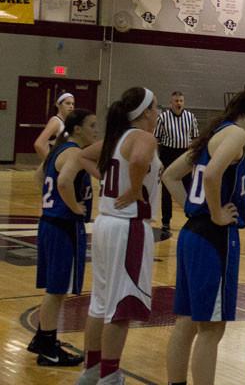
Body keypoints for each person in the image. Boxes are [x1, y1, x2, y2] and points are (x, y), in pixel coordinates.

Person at [163, 91, 245, 385]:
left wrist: (192, 209)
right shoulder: (236, 134)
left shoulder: (214, 134)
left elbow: (170, 176)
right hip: (214, 238)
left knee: (186, 323)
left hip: (192, 235)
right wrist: (214, 213)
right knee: (211, 329)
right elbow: (212, 175)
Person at [77, 86, 161, 385]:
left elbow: (82, 157)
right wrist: (135, 187)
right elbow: (139, 161)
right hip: (128, 226)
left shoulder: (115, 138)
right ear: (147, 112)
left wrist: (110, 181)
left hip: (104, 224)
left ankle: (91, 370)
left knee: (100, 303)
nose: (159, 113)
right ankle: (110, 375)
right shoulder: (143, 137)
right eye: (156, 107)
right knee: (120, 307)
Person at [30, 109, 98, 367]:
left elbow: (39, 176)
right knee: (57, 290)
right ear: (77, 129)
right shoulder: (74, 153)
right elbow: (64, 182)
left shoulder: (58, 150)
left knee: (55, 289)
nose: (96, 130)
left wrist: (54, 204)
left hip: (49, 223)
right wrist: (73, 206)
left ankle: (44, 338)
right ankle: (47, 346)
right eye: (92, 125)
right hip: (63, 226)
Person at [154, 91, 200, 240]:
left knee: (188, 187)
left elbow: (195, 138)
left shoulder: (190, 117)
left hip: (184, 154)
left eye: (181, 100)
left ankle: (191, 215)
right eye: (176, 101)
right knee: (167, 191)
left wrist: (194, 157)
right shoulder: (162, 118)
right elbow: (156, 139)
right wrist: (157, 159)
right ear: (171, 103)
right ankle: (166, 221)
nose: (179, 103)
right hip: (168, 153)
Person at [34, 91, 75, 160]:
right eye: (67, 103)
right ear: (58, 105)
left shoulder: (66, 123)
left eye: (73, 104)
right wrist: (49, 164)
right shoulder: (55, 121)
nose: (71, 106)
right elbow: (38, 144)